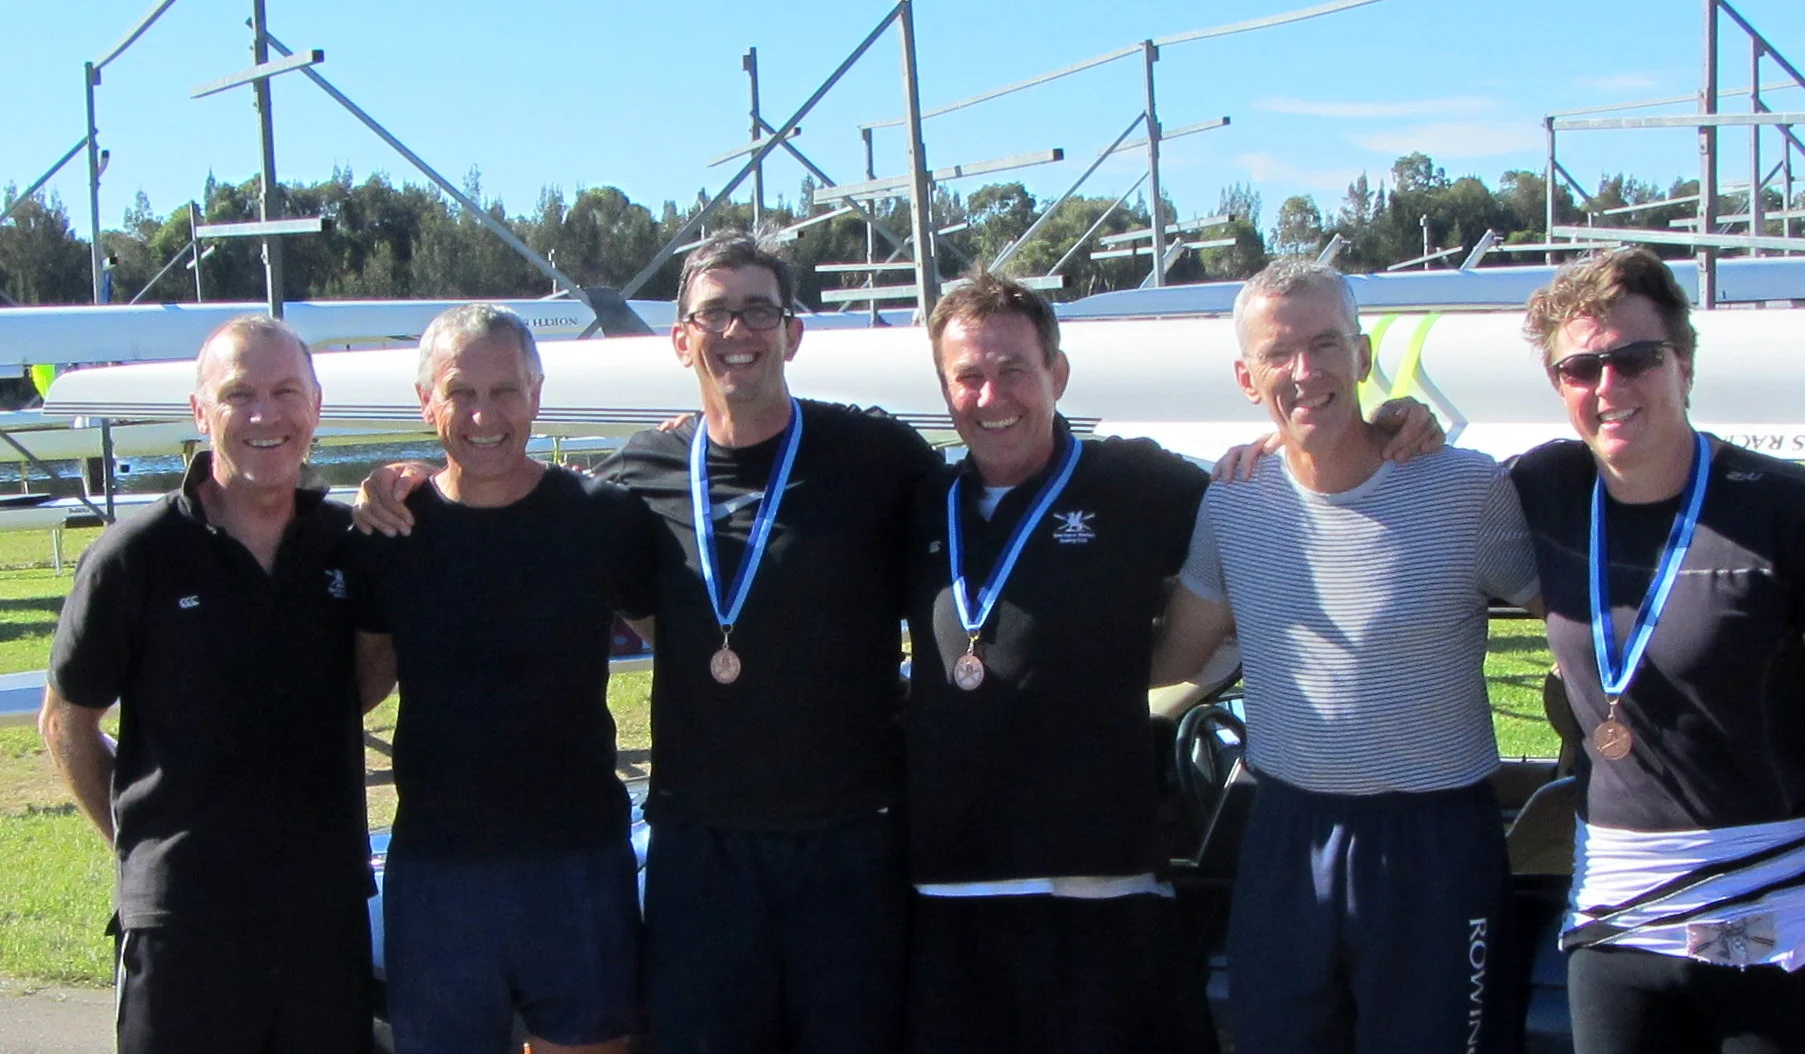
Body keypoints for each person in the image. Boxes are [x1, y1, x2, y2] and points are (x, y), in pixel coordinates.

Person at [353, 232, 940, 1053]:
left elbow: (985, 528)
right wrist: (385, 482)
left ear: (792, 331)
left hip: (836, 838)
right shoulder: (638, 473)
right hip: (683, 847)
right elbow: (375, 661)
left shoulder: (874, 457)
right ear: (681, 338)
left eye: (757, 310)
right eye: (713, 313)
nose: (735, 331)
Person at [1152, 258, 1539, 1053]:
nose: (1305, 371)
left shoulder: (1464, 488)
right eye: (1278, 353)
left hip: (1433, 842)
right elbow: (1173, 660)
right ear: (1246, 377)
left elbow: (1576, 628)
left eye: (1325, 344)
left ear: (1362, 356)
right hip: (1286, 831)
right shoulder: (1232, 498)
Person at [39, 316, 377, 1054]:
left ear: (316, 406)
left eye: (285, 392)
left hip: (322, 917)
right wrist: (145, 849)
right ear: (200, 411)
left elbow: (363, 678)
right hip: (183, 925)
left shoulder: (349, 544)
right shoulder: (136, 555)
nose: (265, 415)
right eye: (238, 395)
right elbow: (66, 721)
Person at [902, 271, 1213, 1053]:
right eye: (967, 376)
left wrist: (1380, 428)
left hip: (1100, 883)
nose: (990, 396)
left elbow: (1271, 503)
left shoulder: (1139, 485)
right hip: (950, 881)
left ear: (1057, 374)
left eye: (1013, 369)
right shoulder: (914, 502)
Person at [1510, 248, 1805, 1053]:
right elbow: (1410, 491)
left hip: (1768, 915)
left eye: (1634, 358)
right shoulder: (1543, 489)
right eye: (1580, 368)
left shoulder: (1780, 507)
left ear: (1683, 364)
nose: (1607, 386)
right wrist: (1400, 420)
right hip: (1616, 921)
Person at [349, 304, 656, 1054]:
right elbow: (357, 686)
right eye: (460, 392)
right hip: (438, 871)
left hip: (579, 862)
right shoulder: (392, 530)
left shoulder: (603, 518)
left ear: (537, 394)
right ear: (426, 401)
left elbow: (688, 652)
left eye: (505, 391)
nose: (484, 415)